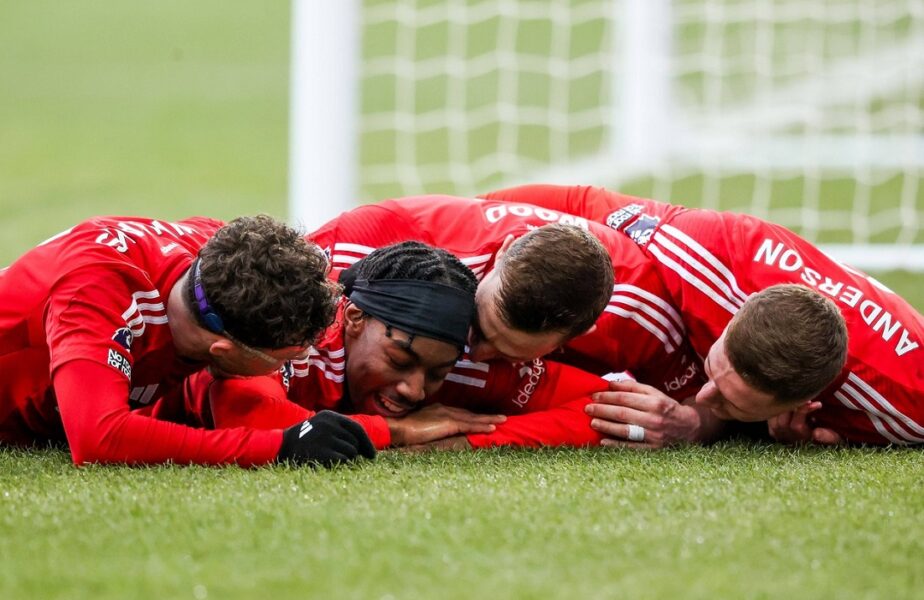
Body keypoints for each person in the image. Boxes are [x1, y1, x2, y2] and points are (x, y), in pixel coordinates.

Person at [483, 184, 922, 447]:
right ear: (730, 319)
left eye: (730, 402)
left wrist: (702, 424)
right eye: (713, 370)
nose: (706, 396)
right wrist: (476, 213)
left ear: (802, 405)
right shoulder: (708, 254)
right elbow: (582, 203)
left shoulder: (908, 398)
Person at [0, 214, 375, 467]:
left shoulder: (217, 254)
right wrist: (281, 447)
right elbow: (99, 439)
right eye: (291, 355)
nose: (300, 359)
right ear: (223, 350)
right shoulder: (96, 290)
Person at [179, 241, 616, 450]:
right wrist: (400, 432)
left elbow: (601, 406)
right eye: (399, 360)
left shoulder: (464, 358)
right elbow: (247, 412)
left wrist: (470, 441)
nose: (414, 390)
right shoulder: (293, 339)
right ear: (352, 318)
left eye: (436, 374)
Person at [308, 194, 706, 402]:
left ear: (578, 335)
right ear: (500, 257)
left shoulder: (636, 316)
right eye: (480, 327)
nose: (475, 357)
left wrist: (690, 421)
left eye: (509, 354)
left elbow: (702, 410)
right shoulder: (363, 242)